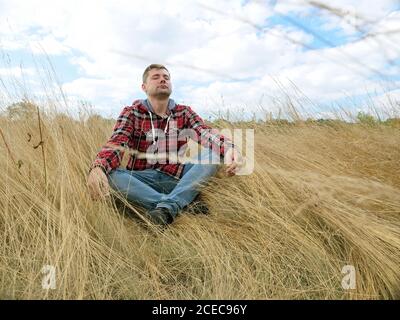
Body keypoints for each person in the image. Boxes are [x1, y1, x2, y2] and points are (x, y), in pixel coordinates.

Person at [87, 64, 243, 226]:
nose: (162, 79)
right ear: (144, 87)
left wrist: (230, 148)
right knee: (110, 175)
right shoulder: (132, 112)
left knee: (214, 154)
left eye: (166, 77)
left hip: (178, 176)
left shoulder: (183, 112)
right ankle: (178, 203)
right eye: (156, 77)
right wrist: (99, 167)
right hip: (142, 179)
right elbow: (117, 142)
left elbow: (205, 133)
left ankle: (165, 207)